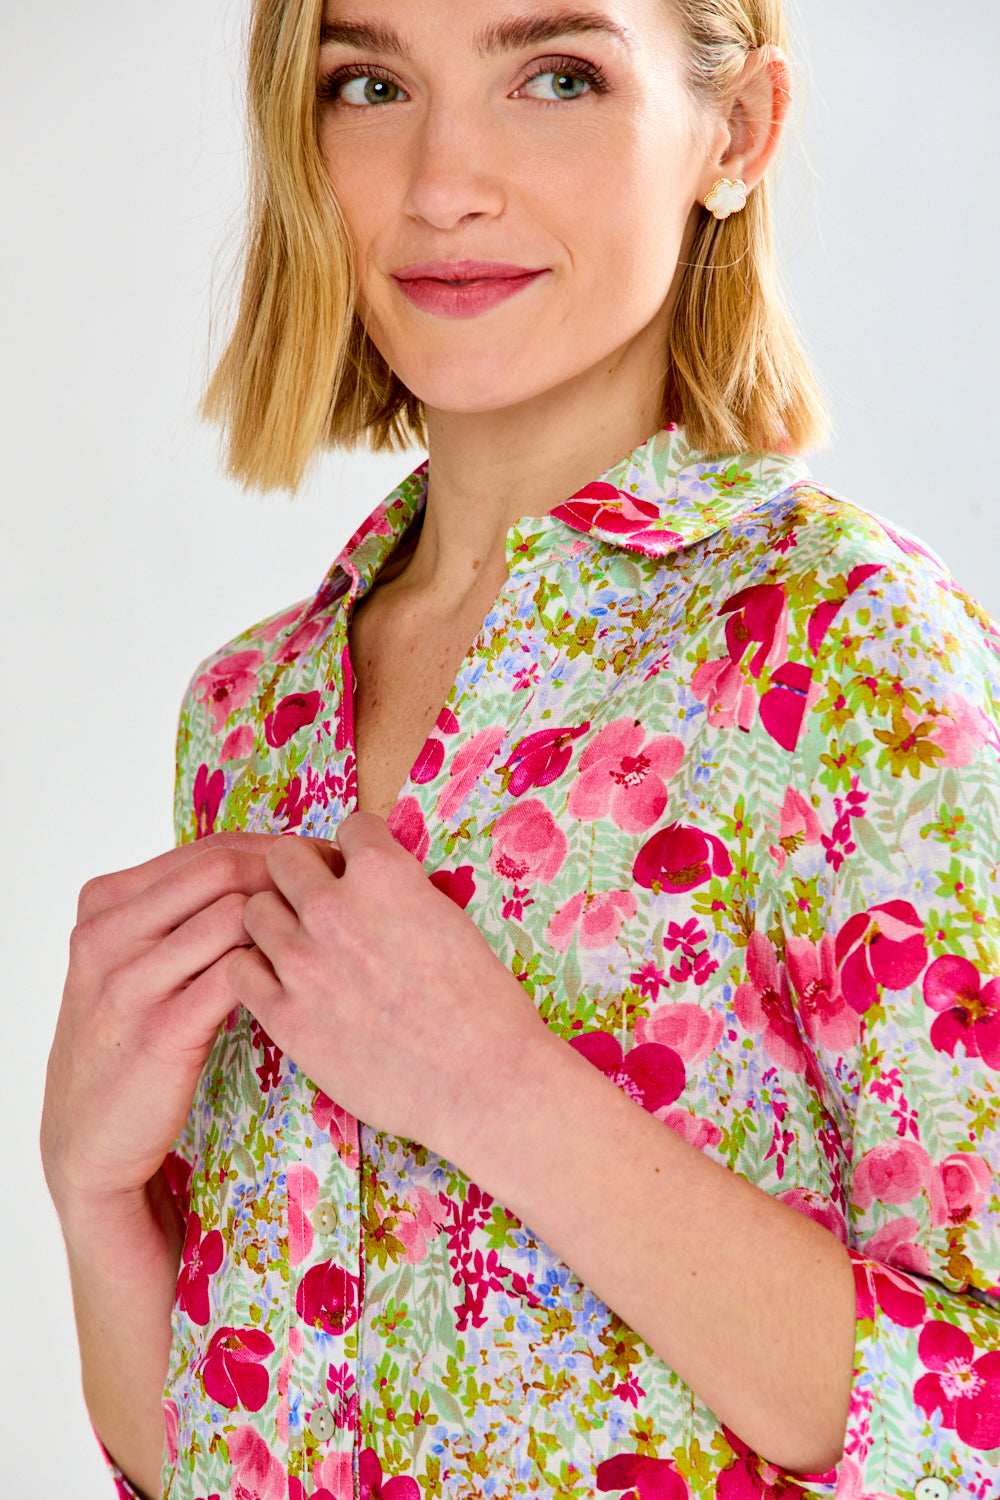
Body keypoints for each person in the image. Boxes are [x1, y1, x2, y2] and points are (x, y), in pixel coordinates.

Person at [40, 0, 1000, 1497]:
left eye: (556, 76)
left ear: (734, 134)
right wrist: (94, 1195)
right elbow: (237, 1451)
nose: (441, 181)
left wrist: (499, 1095)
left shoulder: (847, 653)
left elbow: (979, 1416)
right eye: (371, 84)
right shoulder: (249, 713)